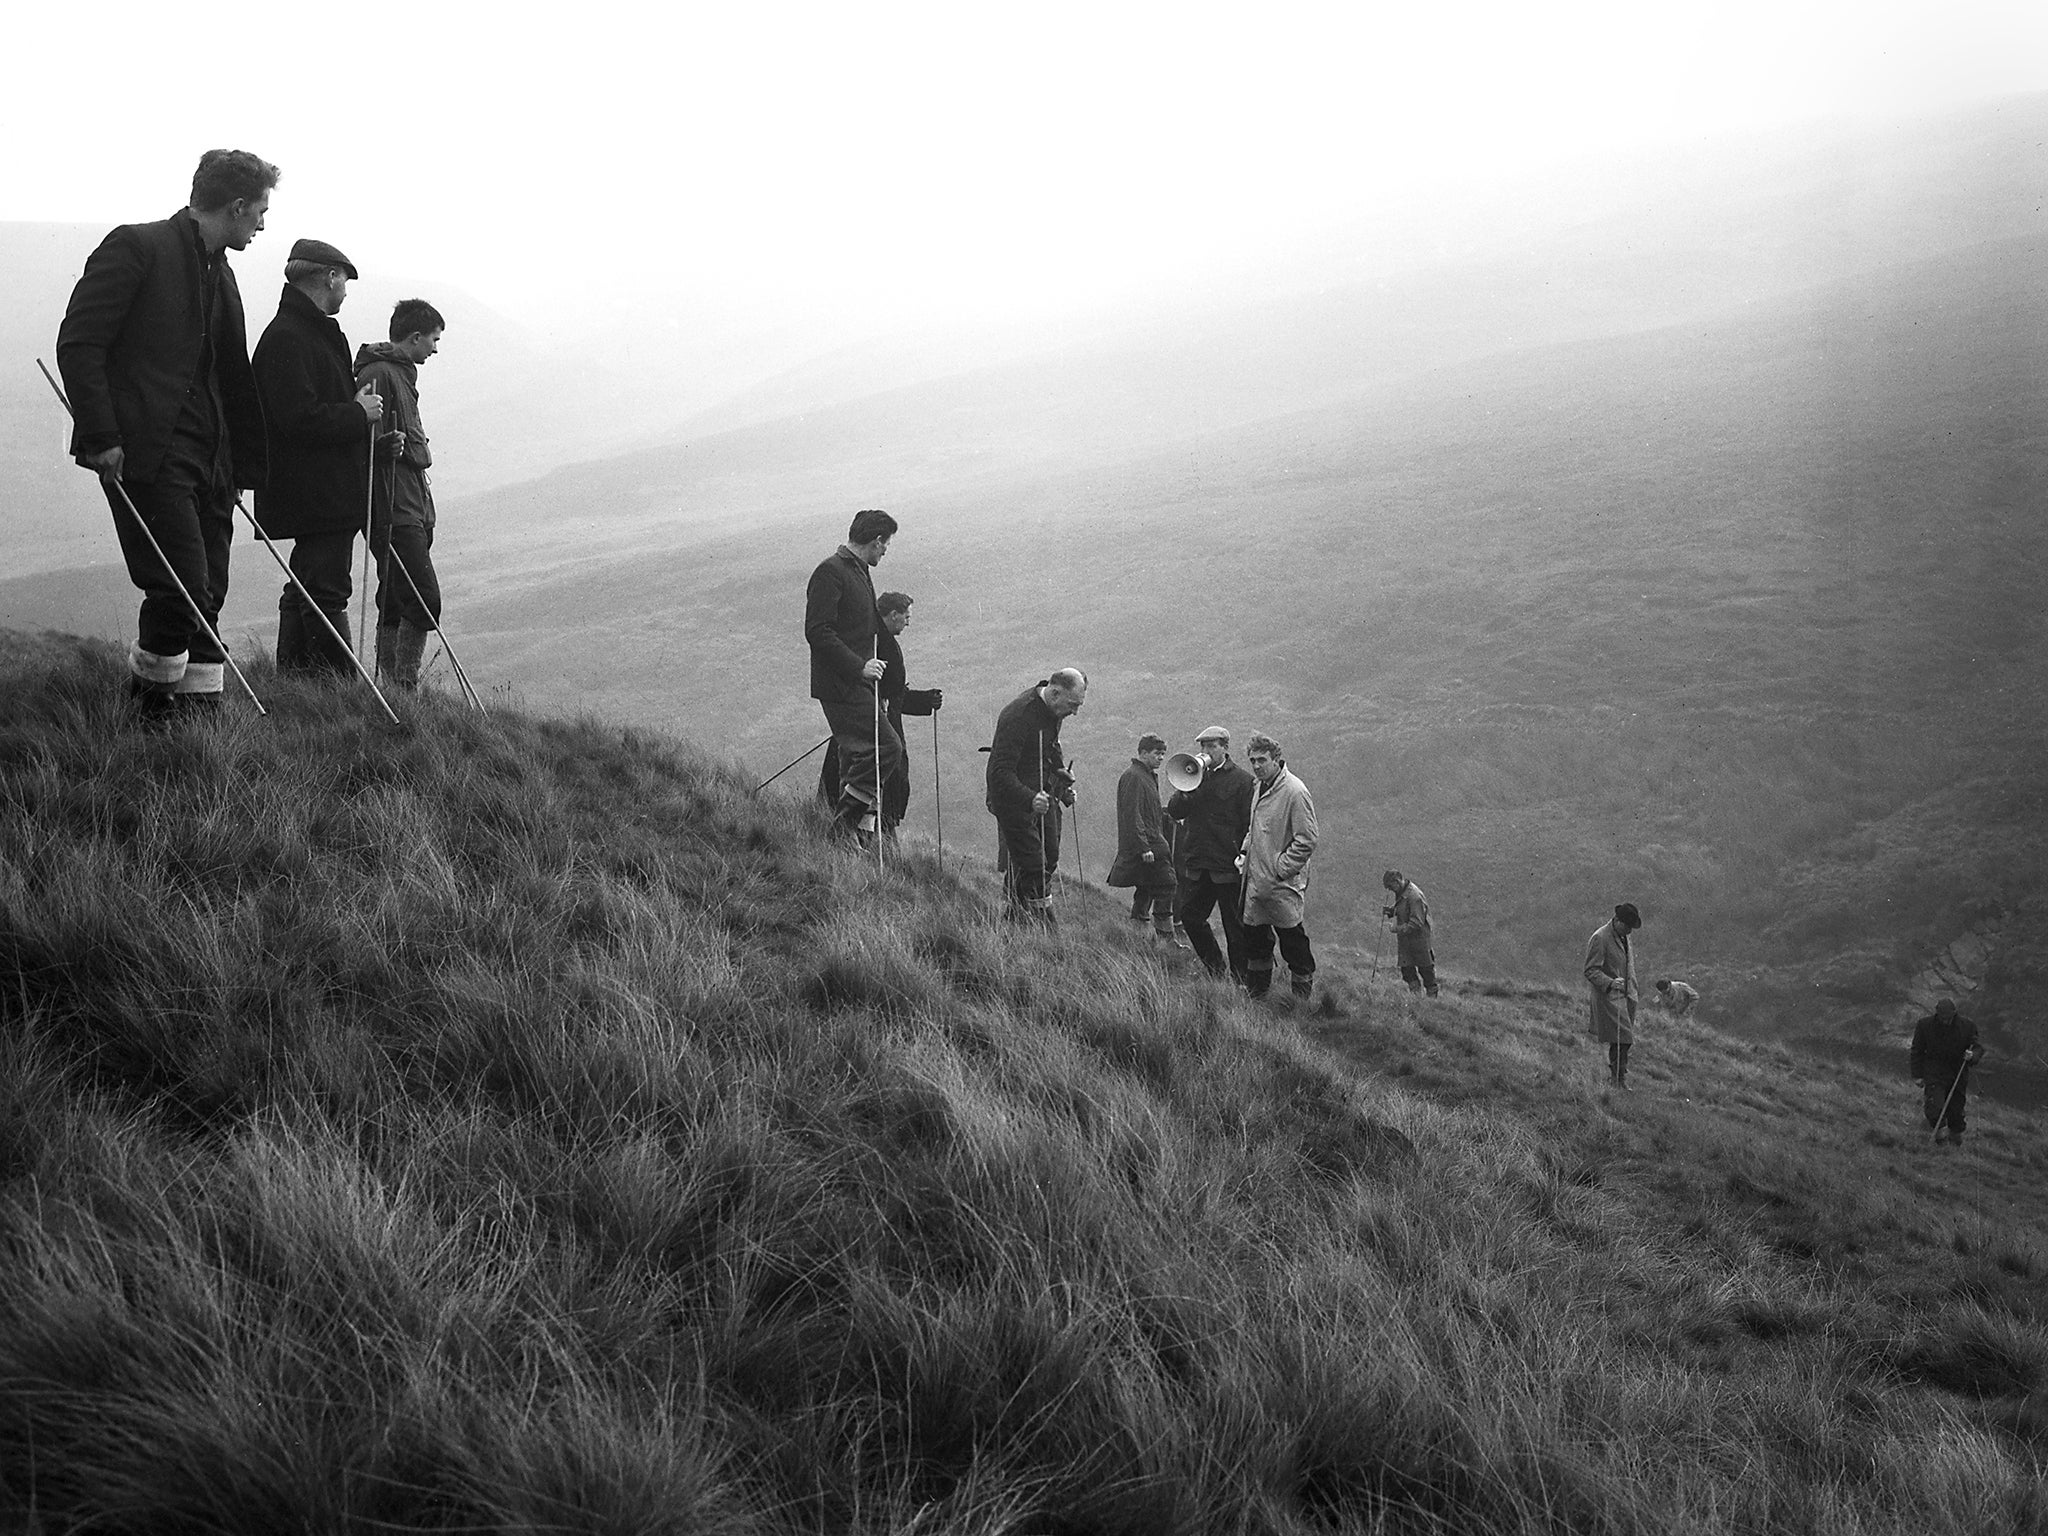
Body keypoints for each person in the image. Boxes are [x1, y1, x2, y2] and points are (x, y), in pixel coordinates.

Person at [54, 149, 278, 722]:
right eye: (259, 211)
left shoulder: (220, 273)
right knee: (179, 586)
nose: (261, 223)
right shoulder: (137, 246)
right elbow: (79, 343)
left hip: (212, 461)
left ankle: (200, 722)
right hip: (148, 455)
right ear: (234, 206)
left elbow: (227, 375)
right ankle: (147, 713)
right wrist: (102, 437)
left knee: (209, 592)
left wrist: (236, 468)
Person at [252, 238, 385, 672]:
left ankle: (292, 680)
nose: (345, 290)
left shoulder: (302, 332)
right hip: (318, 494)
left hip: (317, 491)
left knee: (304, 588)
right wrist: (357, 411)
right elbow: (298, 419)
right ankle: (346, 687)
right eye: (344, 280)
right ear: (328, 276)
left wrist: (351, 407)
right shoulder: (290, 337)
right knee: (325, 590)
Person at [354, 299, 446, 690]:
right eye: (433, 339)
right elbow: (358, 435)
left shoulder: (401, 374)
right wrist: (379, 446)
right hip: (392, 503)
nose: (436, 348)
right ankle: (403, 685)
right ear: (414, 337)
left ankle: (390, 689)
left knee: (395, 596)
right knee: (425, 599)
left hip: (409, 500)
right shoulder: (378, 373)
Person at [804, 510, 905, 845]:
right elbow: (818, 631)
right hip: (841, 684)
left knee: (857, 754)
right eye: (886, 544)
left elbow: (860, 628)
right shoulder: (830, 571)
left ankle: (856, 837)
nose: (886, 551)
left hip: (854, 682)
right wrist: (858, 666)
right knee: (887, 747)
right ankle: (842, 831)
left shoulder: (857, 570)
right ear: (876, 540)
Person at [817, 590, 941, 836]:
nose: (908, 622)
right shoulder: (873, 643)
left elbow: (893, 695)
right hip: (870, 729)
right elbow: (880, 692)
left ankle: (864, 840)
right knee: (875, 785)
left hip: (872, 725)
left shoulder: (876, 640)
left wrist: (924, 701)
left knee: (877, 789)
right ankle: (855, 838)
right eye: (906, 617)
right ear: (893, 614)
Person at [985, 669, 1087, 922]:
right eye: (1072, 705)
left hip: (1043, 794)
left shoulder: (1053, 711)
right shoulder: (1018, 715)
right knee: (1033, 862)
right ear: (1054, 693)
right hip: (1012, 799)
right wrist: (1030, 798)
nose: (1074, 712)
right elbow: (999, 772)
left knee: (1050, 856)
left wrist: (1061, 776)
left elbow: (1050, 749)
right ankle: (1045, 926)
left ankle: (1014, 916)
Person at [1166, 726, 1255, 983]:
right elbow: (1174, 811)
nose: (1205, 751)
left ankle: (1240, 981)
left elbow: (1248, 822)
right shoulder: (1195, 776)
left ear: (1225, 748)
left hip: (1227, 865)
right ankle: (1215, 969)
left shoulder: (1242, 781)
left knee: (1234, 928)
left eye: (1212, 746)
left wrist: (1243, 854)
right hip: (1199, 863)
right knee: (1191, 917)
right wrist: (1185, 792)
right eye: (1203, 746)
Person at [1239, 733, 1319, 1001]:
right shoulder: (1259, 787)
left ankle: (1300, 1001)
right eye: (1252, 761)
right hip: (1256, 882)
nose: (1257, 765)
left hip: (1281, 884)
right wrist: (1244, 852)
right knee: (1256, 941)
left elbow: (1307, 839)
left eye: (1262, 760)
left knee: (1293, 941)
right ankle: (1258, 998)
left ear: (1277, 760)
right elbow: (1256, 829)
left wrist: (1280, 868)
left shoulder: (1294, 791)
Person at [1106, 733, 1176, 943]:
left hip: (1151, 842)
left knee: (1145, 886)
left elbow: (1147, 811)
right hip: (1148, 845)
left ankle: (1138, 934)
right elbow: (1132, 814)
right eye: (1157, 753)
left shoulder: (1145, 775)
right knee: (1167, 885)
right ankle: (1165, 939)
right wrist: (1144, 847)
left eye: (1163, 754)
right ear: (1143, 752)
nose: (1161, 758)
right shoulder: (1134, 776)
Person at [1910, 997, 1986, 1145]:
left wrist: (1972, 1056)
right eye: (1942, 1018)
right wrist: (1917, 1075)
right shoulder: (1924, 1025)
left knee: (1956, 1111)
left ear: (1954, 1014)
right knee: (1934, 1108)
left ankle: (1956, 1140)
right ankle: (1941, 1142)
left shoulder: (1967, 1026)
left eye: (1949, 1018)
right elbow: (1917, 1051)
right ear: (1937, 1014)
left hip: (1957, 1072)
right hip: (1934, 1072)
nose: (1945, 1021)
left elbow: (1978, 1047)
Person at [1584, 903, 1644, 1088]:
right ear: (1616, 920)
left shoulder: (1623, 936)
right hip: (1608, 997)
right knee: (1623, 1037)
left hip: (1626, 996)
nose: (1629, 931)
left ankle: (1618, 1078)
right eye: (1626, 926)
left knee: (1622, 1039)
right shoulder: (1600, 938)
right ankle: (1618, 1080)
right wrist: (1609, 982)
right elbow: (1591, 970)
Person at [1382, 870, 1439, 997]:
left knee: (1427, 973)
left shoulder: (1414, 896)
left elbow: (1416, 923)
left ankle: (1432, 1003)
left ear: (1397, 881)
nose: (1391, 890)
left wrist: (1396, 929)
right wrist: (1392, 911)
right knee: (1407, 972)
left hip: (1420, 942)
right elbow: (1404, 909)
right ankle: (1416, 1000)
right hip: (1407, 943)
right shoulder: (1402, 892)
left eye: (1391, 887)